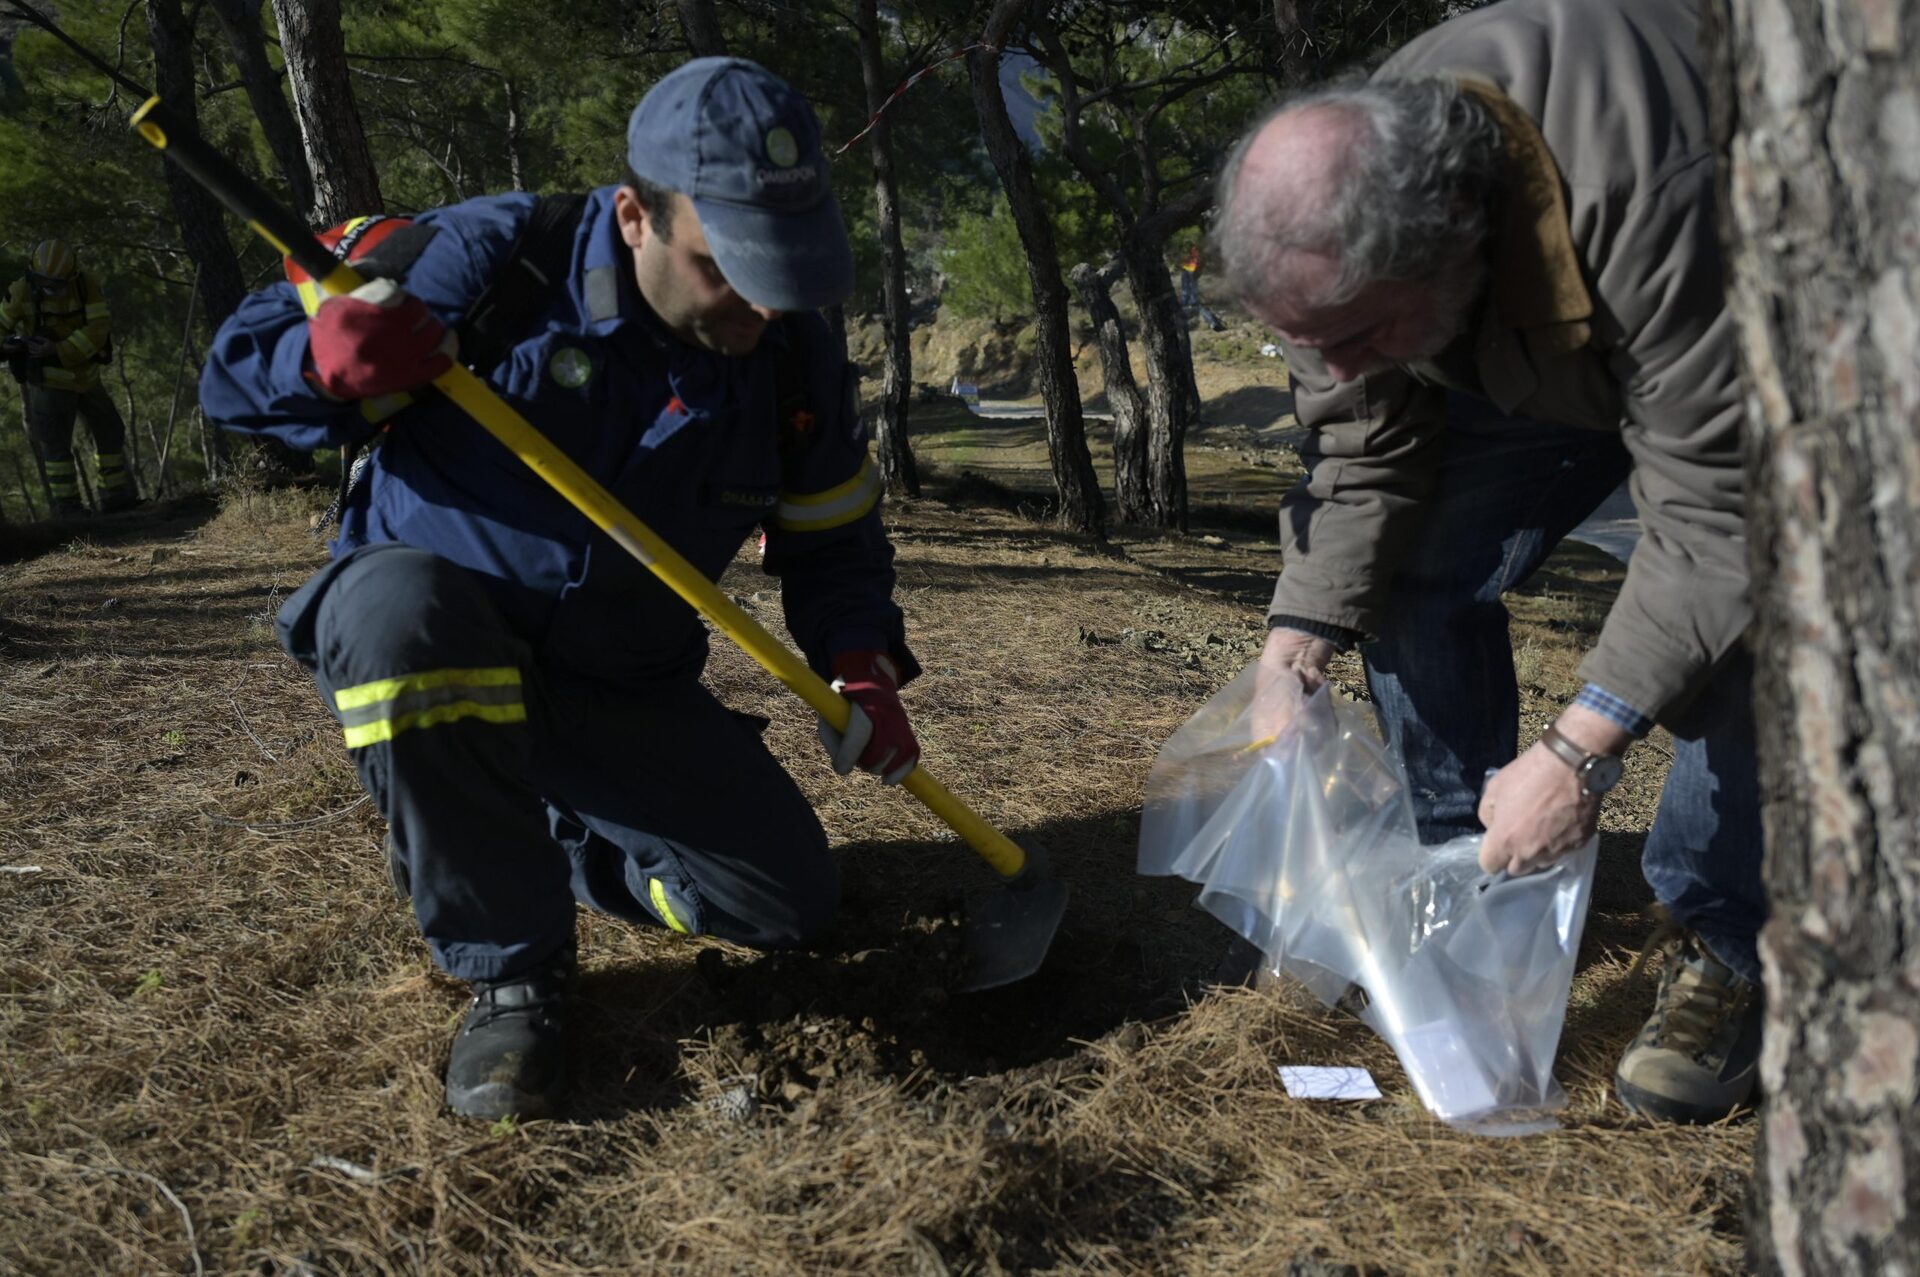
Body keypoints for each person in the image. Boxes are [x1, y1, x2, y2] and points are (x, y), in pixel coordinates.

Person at [200, 58, 922, 1121]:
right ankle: (514, 971)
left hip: (619, 679)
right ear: (633, 216)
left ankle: (558, 835)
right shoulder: (485, 262)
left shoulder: (786, 350)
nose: (764, 303)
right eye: (728, 266)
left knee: (784, 902)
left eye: (790, 265)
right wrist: (325, 364)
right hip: (443, 637)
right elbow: (234, 373)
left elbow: (831, 532)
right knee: (396, 614)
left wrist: (858, 660)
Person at [1212, 0, 1761, 1125]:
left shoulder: (1661, 190)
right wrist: (1296, 636)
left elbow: (1725, 518)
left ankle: (1731, 938)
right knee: (1413, 563)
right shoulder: (1349, 237)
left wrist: (1580, 750)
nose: (1332, 364)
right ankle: (1474, 883)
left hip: (1758, 342)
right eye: (1308, 340)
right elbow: (1363, 441)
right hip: (1541, 346)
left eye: (1359, 334)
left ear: (1456, 226)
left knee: (1756, 633)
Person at [1, 239, 137, 516]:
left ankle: (115, 497)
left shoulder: (87, 285)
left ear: (72, 275)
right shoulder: (20, 290)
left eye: (59, 282)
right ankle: (70, 509)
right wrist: (6, 345)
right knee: (55, 445)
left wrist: (59, 348)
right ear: (33, 274)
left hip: (86, 377)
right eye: (45, 281)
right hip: (49, 382)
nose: (52, 287)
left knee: (110, 430)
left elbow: (99, 329)